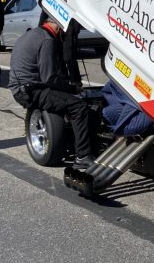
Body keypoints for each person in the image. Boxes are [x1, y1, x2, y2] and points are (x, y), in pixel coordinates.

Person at [8, 13, 92, 171]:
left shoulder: (32, 34)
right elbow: (50, 78)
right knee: (78, 106)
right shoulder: (47, 40)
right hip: (30, 91)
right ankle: (83, 156)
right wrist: (73, 88)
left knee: (64, 98)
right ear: (59, 26)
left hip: (21, 87)